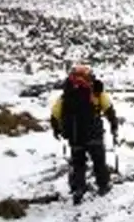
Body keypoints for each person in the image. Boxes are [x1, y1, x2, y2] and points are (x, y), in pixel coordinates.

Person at [50, 63, 119, 204]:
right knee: (99, 161)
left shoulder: (66, 94)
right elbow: (108, 109)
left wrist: (56, 130)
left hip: (75, 136)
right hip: (94, 134)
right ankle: (103, 185)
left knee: (78, 163)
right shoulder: (96, 91)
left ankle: (79, 188)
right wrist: (114, 125)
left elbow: (55, 115)